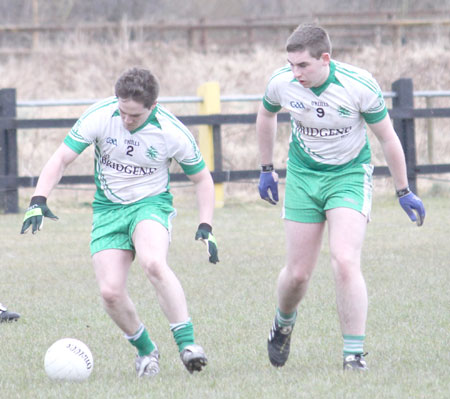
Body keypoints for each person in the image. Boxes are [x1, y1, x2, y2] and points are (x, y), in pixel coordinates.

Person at [20, 67, 219, 377]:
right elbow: (60, 159)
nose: (126, 120)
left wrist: (206, 224)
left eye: (134, 116)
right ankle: (146, 351)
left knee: (153, 263)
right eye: (122, 111)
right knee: (110, 293)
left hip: (150, 205)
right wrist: (38, 199)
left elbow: (202, 179)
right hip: (107, 210)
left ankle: (188, 345)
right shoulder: (100, 115)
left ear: (153, 106)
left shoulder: (171, 131)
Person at [257, 24, 425, 371]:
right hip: (303, 175)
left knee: (345, 260)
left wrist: (403, 190)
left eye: (302, 65)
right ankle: (283, 323)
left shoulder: (358, 86)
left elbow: (389, 139)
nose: (295, 72)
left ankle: (353, 355)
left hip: (349, 175)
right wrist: (265, 167)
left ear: (325, 59)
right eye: (290, 64)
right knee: (298, 274)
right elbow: (265, 115)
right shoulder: (281, 83)